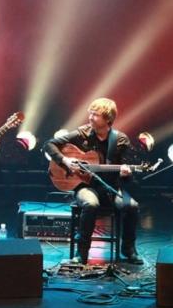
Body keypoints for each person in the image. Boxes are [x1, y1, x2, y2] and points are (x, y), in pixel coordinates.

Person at [44, 97, 143, 265]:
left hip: (110, 187)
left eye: (95, 115)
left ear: (108, 119)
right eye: (90, 113)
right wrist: (65, 160)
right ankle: (81, 253)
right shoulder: (82, 133)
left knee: (132, 206)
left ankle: (128, 249)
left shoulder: (120, 140)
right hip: (85, 186)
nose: (90, 117)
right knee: (91, 204)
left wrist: (126, 173)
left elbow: (130, 177)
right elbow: (49, 144)